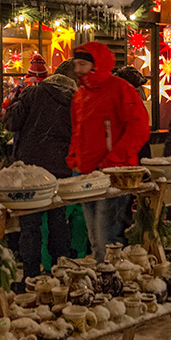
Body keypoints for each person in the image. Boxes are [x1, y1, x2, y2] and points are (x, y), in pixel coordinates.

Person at [67, 42, 150, 262]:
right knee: (95, 237)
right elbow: (78, 132)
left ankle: (117, 281)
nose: (78, 70)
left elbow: (139, 127)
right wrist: (74, 157)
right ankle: (106, 282)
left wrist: (114, 161)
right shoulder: (81, 95)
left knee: (107, 236)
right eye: (76, 64)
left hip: (114, 175)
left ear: (97, 65)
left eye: (83, 64)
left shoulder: (120, 89)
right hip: (86, 175)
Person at [4, 62, 77, 278]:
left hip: (31, 171)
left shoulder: (33, 93)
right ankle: (59, 273)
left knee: (30, 225)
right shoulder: (76, 102)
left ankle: (31, 277)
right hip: (59, 171)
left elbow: (10, 122)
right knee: (58, 222)